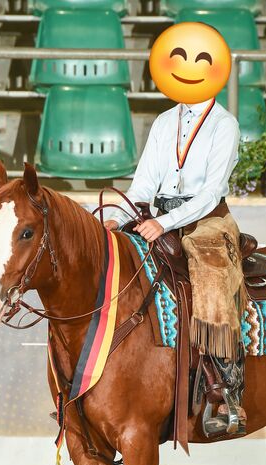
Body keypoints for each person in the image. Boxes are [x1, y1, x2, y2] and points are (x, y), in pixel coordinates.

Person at [104, 94, 247, 436]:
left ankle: (225, 390)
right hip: (161, 216)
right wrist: (116, 217)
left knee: (211, 278)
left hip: (208, 220)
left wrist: (165, 223)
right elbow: (143, 184)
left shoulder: (224, 124)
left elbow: (211, 193)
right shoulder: (165, 121)